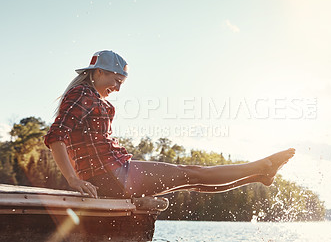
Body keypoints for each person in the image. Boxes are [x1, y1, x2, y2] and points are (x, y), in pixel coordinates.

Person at [44, 50, 295, 199]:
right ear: (98, 72)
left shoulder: (89, 96)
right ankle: (262, 165)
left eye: (122, 83)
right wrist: (72, 180)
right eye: (116, 80)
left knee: (193, 181)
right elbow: (56, 136)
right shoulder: (82, 94)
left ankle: (259, 175)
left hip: (111, 176)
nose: (118, 88)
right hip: (114, 175)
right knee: (193, 172)